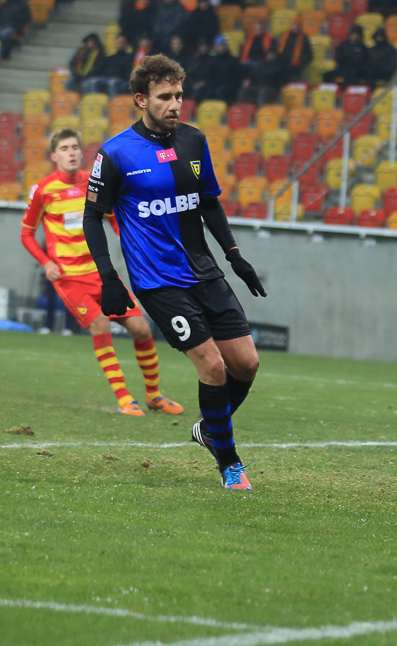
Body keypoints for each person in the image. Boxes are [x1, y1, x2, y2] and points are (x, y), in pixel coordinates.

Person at [83, 55, 267, 491]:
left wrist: (234, 256)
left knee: (246, 363)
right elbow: (92, 217)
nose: (175, 104)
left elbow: (208, 202)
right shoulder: (116, 153)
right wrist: (109, 277)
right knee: (213, 366)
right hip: (158, 281)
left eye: (179, 95)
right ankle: (230, 463)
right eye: (165, 97)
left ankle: (210, 430)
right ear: (141, 99)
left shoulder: (193, 141)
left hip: (204, 271)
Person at [21, 128, 184, 417]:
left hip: (102, 274)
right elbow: (27, 234)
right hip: (71, 279)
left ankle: (154, 395)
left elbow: (114, 219)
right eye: (64, 149)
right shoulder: (43, 191)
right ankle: (125, 399)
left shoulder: (94, 182)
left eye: (75, 147)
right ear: (54, 156)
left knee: (141, 328)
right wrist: (46, 263)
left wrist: (131, 245)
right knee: (101, 325)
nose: (71, 153)